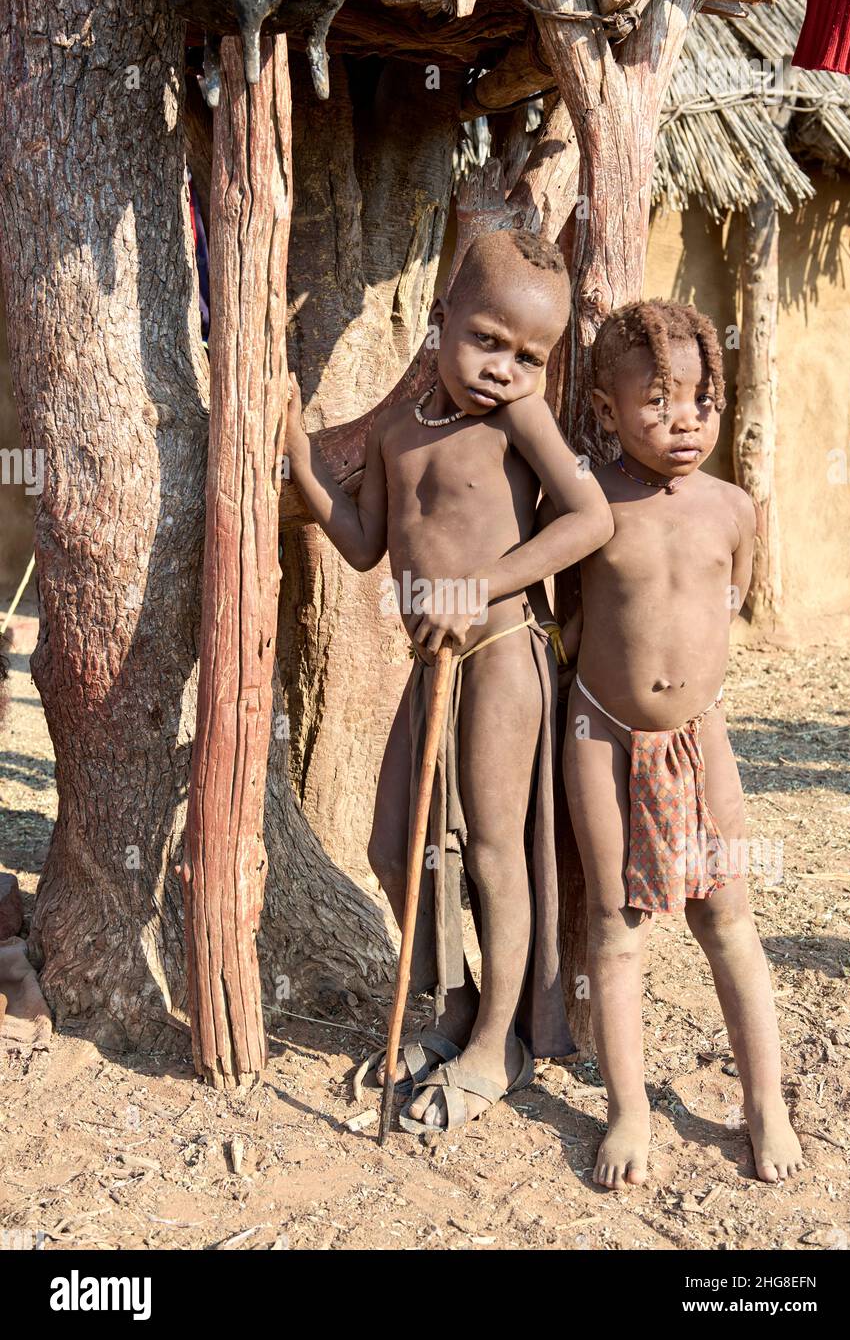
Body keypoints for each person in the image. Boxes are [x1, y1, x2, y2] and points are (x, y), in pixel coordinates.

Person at [285, 229, 613, 1133]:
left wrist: (478, 588)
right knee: (394, 847)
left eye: (529, 356)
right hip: (429, 663)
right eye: (488, 341)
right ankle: (457, 1003)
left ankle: (494, 1046)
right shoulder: (397, 430)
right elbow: (360, 546)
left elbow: (586, 520)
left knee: (497, 856)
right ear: (440, 320)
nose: (505, 368)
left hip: (503, 650)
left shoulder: (516, 420)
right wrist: (297, 454)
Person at [559, 299, 804, 1186]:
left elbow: (727, 600)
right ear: (604, 408)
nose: (685, 421)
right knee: (616, 931)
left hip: (702, 742)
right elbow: (571, 615)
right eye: (656, 403)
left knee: (728, 921)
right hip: (601, 735)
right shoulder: (588, 506)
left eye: (700, 399)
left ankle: (762, 1105)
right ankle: (627, 1113)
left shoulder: (732, 508)